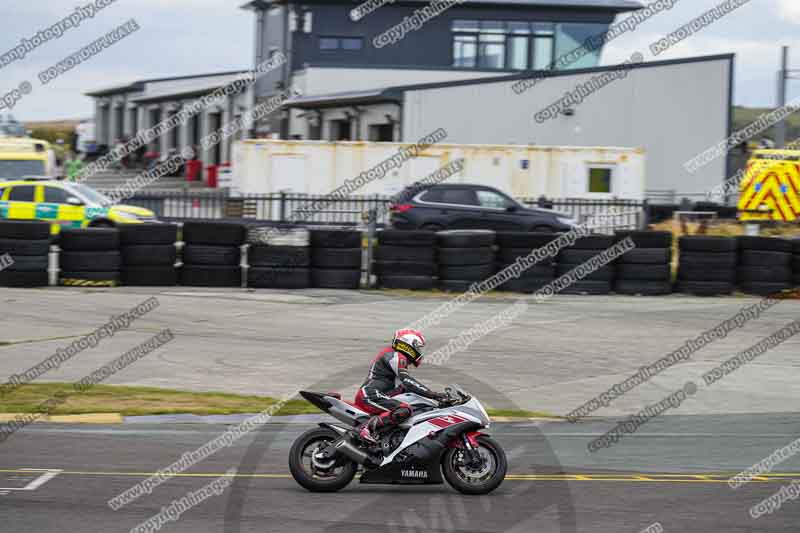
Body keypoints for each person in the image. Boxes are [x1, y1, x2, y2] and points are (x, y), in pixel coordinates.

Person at [354, 329, 448, 444]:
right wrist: (434, 395)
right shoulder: (395, 355)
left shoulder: (395, 356)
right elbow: (408, 381)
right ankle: (364, 429)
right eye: (418, 347)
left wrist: (432, 398)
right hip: (371, 394)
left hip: (375, 394)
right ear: (408, 345)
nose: (419, 351)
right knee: (404, 410)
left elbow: (406, 387)